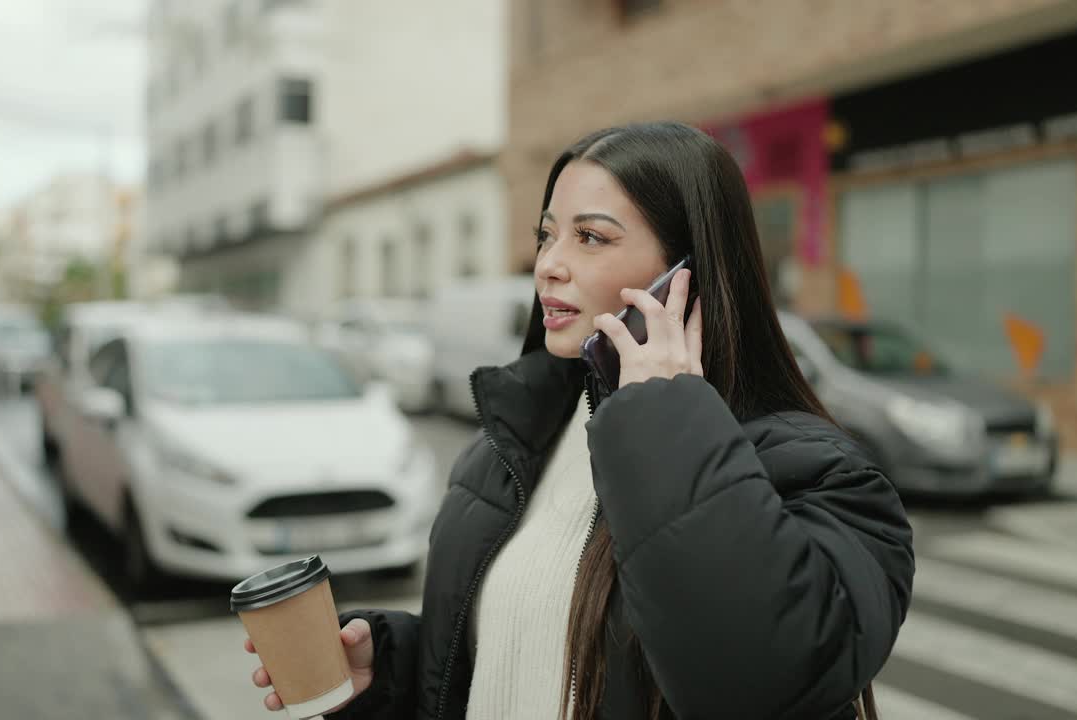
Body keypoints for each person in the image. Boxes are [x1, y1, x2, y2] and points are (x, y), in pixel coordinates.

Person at [245, 122, 915, 719]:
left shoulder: (823, 476)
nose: (547, 266)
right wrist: (388, 672)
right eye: (546, 235)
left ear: (687, 274)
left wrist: (664, 422)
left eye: (591, 237)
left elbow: (755, 684)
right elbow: (512, 655)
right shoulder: (511, 443)